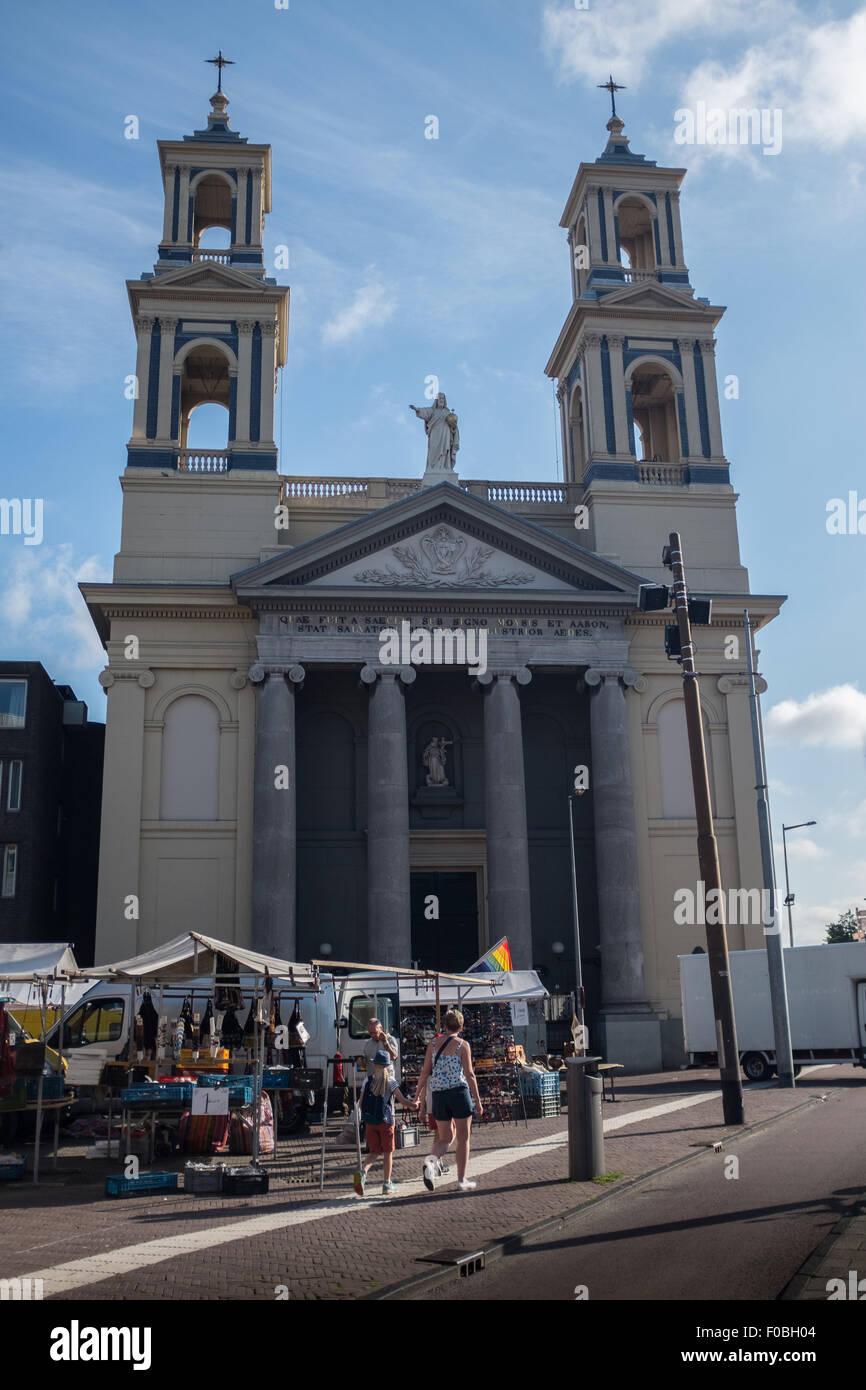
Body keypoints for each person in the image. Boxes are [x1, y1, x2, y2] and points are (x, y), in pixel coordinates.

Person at [414, 1009, 483, 1193]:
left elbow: (425, 1072)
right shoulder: (463, 1045)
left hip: (439, 1095)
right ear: (460, 1027)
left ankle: (431, 1162)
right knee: (463, 1138)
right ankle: (461, 1180)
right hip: (458, 1093)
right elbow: (469, 1074)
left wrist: (417, 1096)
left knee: (444, 1138)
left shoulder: (434, 1044)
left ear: (444, 1026)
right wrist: (478, 1100)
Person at [353, 1050, 417, 1196]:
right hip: (386, 1122)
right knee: (388, 1153)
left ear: (375, 1064)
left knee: (374, 1152)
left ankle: (362, 1173)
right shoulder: (391, 1081)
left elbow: (361, 1103)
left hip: (370, 1122)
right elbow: (401, 1100)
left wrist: (366, 1117)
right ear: (388, 1066)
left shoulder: (367, 1081)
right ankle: (387, 1184)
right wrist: (414, 1105)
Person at [364, 1016, 398, 1081]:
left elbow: (393, 1057)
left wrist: (385, 1042)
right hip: (372, 1081)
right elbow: (366, 1062)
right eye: (370, 1033)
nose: (373, 1035)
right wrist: (361, 1061)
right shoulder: (368, 1043)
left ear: (381, 1028)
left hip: (387, 1081)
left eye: (375, 1032)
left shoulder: (390, 1039)